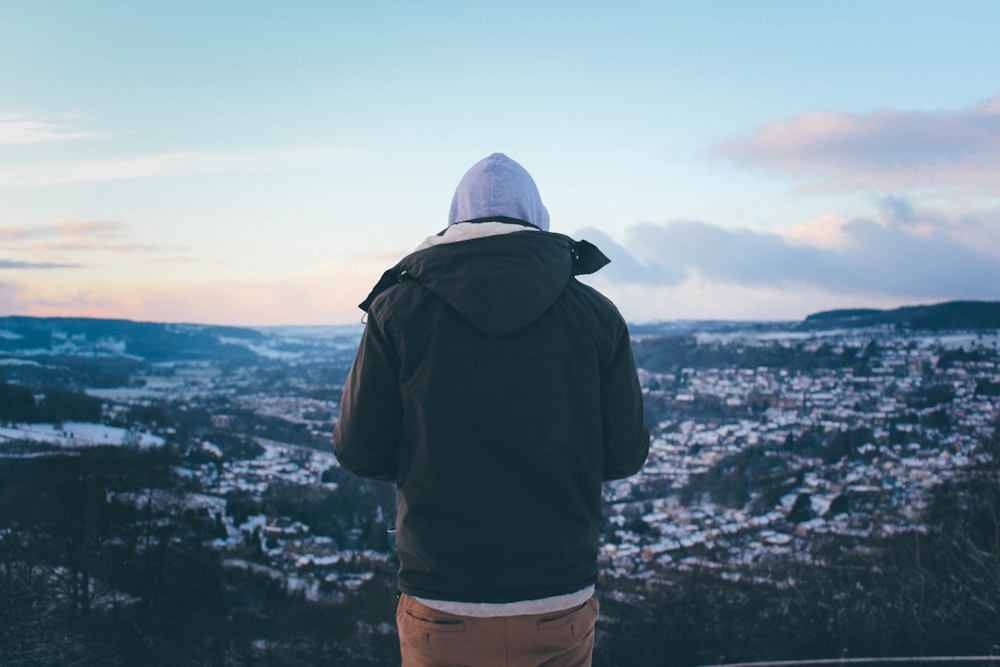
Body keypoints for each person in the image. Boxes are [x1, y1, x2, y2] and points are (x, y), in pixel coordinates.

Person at [333, 153, 649, 666]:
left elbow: (358, 450)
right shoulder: (595, 316)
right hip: (557, 590)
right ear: (538, 219)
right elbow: (625, 455)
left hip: (442, 592)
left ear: (455, 220)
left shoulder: (398, 309)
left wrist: (428, 463)